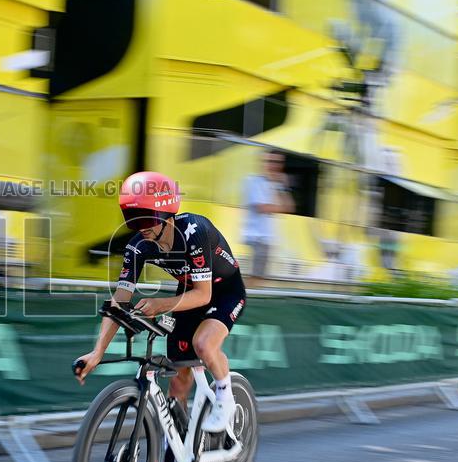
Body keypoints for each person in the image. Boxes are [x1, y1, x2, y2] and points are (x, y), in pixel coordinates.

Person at [74, 171, 247, 439]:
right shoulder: (138, 246)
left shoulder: (194, 231)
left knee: (203, 344)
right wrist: (97, 353)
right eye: (131, 219)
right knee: (178, 378)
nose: (140, 226)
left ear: (167, 214)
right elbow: (118, 302)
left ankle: (225, 397)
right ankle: (173, 447)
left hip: (224, 291)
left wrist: (160, 304)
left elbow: (203, 295)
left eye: (145, 218)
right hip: (188, 293)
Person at [242, 150, 294, 282]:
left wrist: (282, 187)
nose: (274, 165)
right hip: (257, 237)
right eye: (271, 161)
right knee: (256, 278)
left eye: (278, 162)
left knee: (260, 278)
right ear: (263, 163)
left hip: (267, 239)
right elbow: (263, 208)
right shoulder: (254, 181)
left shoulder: (275, 184)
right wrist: (279, 207)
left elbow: (290, 207)